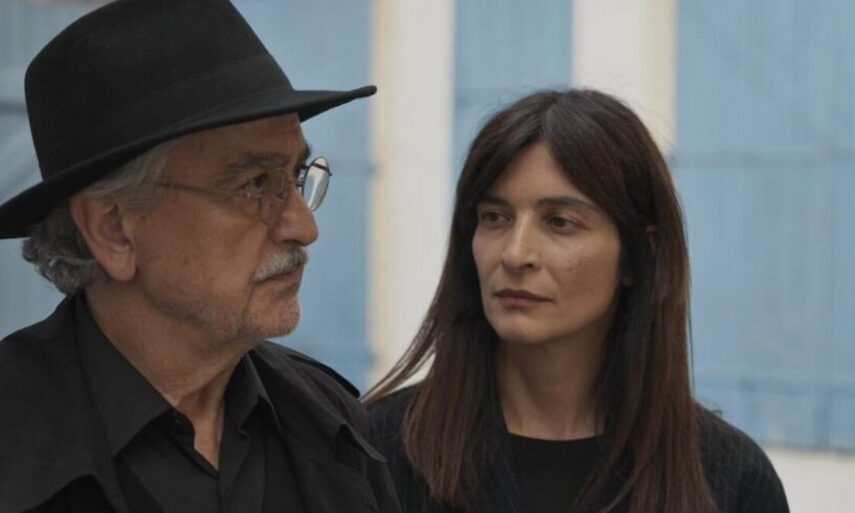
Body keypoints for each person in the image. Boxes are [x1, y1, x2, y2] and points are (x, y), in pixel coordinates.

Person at [0, 1, 399, 512]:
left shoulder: (330, 423)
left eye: (296, 178)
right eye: (255, 185)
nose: (305, 228)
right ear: (112, 230)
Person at [366, 89, 789, 513]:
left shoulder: (729, 479)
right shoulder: (375, 452)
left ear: (638, 255)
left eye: (560, 223)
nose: (515, 254)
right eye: (495, 217)